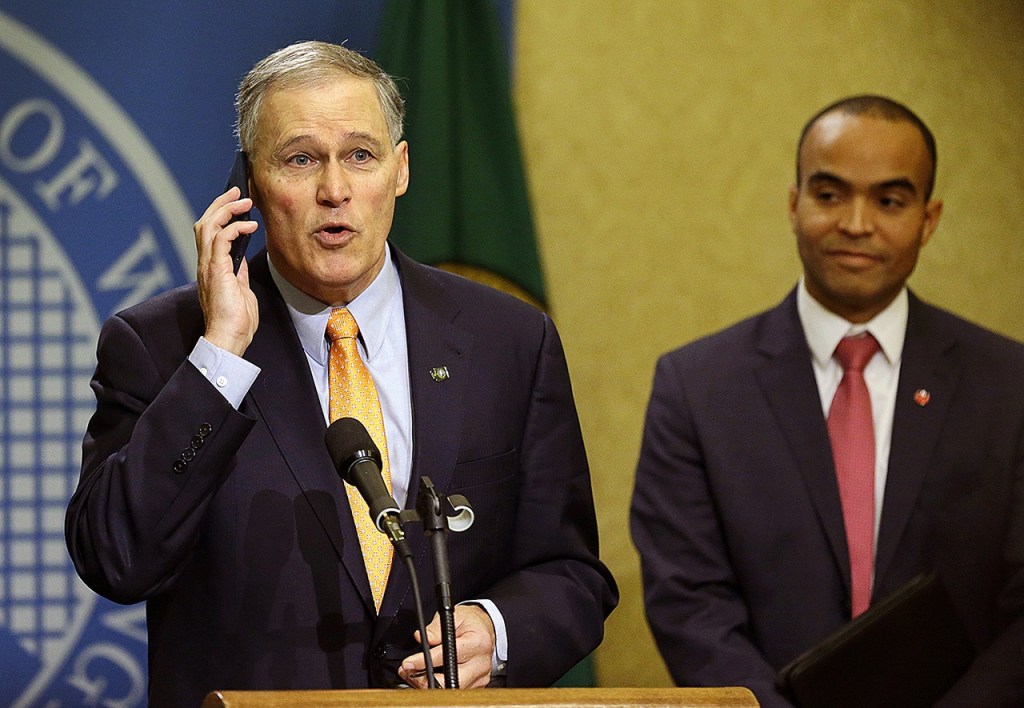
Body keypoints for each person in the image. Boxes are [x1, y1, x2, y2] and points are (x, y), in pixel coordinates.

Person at [66, 41, 617, 706]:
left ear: (400, 169)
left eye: (361, 154)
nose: (335, 190)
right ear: (248, 184)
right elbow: (118, 559)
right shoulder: (162, 346)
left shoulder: (508, 340)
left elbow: (573, 574)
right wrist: (219, 358)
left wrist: (497, 630)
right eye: (300, 159)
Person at [630, 95, 1024, 707]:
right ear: (794, 204)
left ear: (929, 218)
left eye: (890, 201)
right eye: (830, 194)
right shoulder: (698, 388)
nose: (856, 223)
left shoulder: (1010, 384)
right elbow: (690, 603)